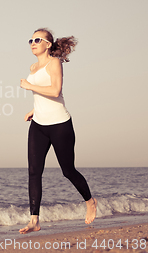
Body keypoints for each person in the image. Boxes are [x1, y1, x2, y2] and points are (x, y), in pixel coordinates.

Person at [19, 28, 97, 234]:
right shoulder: (33, 66)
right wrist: (34, 110)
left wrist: (29, 86)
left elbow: (55, 91)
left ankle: (90, 201)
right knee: (34, 172)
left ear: (48, 44)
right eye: (30, 40)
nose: (32, 43)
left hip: (60, 124)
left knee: (68, 170)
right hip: (38, 125)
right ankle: (34, 220)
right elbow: (43, 97)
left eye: (37, 39)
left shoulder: (54, 62)